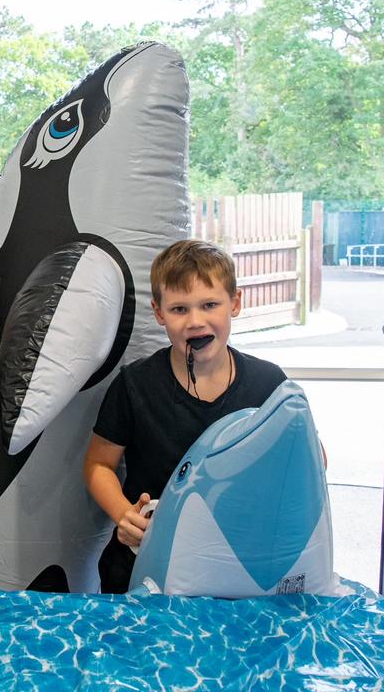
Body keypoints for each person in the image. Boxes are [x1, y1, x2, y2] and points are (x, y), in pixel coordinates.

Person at [83, 239, 288, 594]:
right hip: (140, 567)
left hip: (233, 570)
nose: (195, 321)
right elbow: (98, 465)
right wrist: (124, 514)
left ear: (235, 304)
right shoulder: (134, 385)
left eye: (209, 304)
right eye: (179, 309)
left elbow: (309, 462)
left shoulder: (269, 384)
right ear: (160, 313)